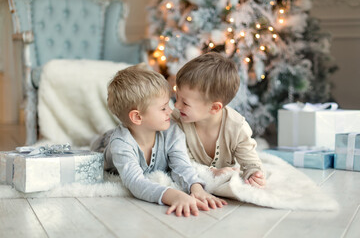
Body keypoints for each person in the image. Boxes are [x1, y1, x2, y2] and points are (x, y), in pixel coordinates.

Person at [100, 64, 226, 217]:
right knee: (100, 143)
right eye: (163, 108)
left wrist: (196, 187)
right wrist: (173, 195)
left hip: (130, 132)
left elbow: (182, 165)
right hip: (104, 143)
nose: (171, 111)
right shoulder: (121, 143)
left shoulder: (172, 131)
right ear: (137, 117)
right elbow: (134, 182)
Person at [172, 52, 266, 188]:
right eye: (176, 97)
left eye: (185, 103)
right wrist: (211, 172)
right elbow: (179, 162)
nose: (176, 105)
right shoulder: (177, 121)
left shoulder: (237, 127)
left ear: (214, 108)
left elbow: (251, 163)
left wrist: (254, 174)